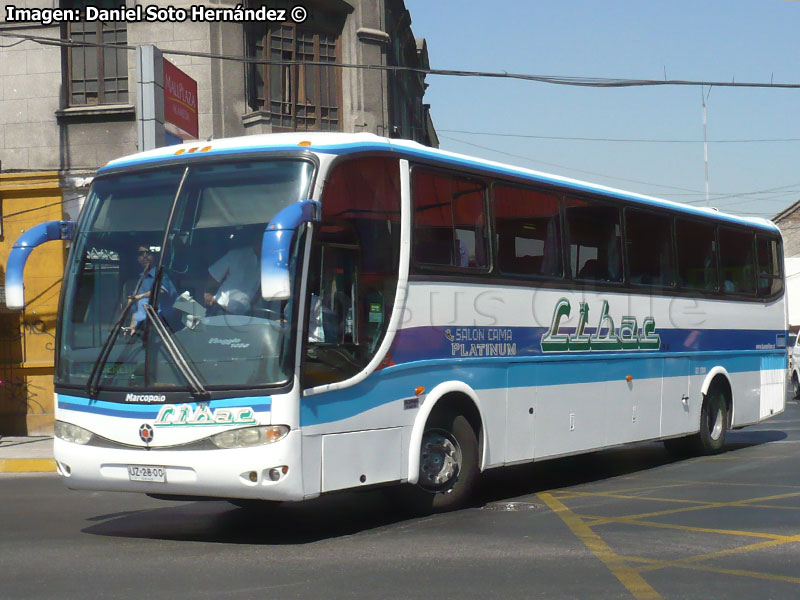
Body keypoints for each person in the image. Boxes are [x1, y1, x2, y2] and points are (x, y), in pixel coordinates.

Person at [123, 244, 177, 334]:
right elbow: (137, 310)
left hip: (167, 329)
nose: (144, 256)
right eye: (141, 254)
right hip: (148, 331)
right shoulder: (138, 281)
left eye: (148, 253)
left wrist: (140, 296)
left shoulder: (161, 274)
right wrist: (132, 326)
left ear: (154, 257)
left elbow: (161, 291)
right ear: (137, 259)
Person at [203, 237, 260, 316]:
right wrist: (208, 293)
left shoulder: (269, 263)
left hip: (245, 315)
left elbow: (260, 290)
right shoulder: (236, 255)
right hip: (221, 310)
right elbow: (214, 274)